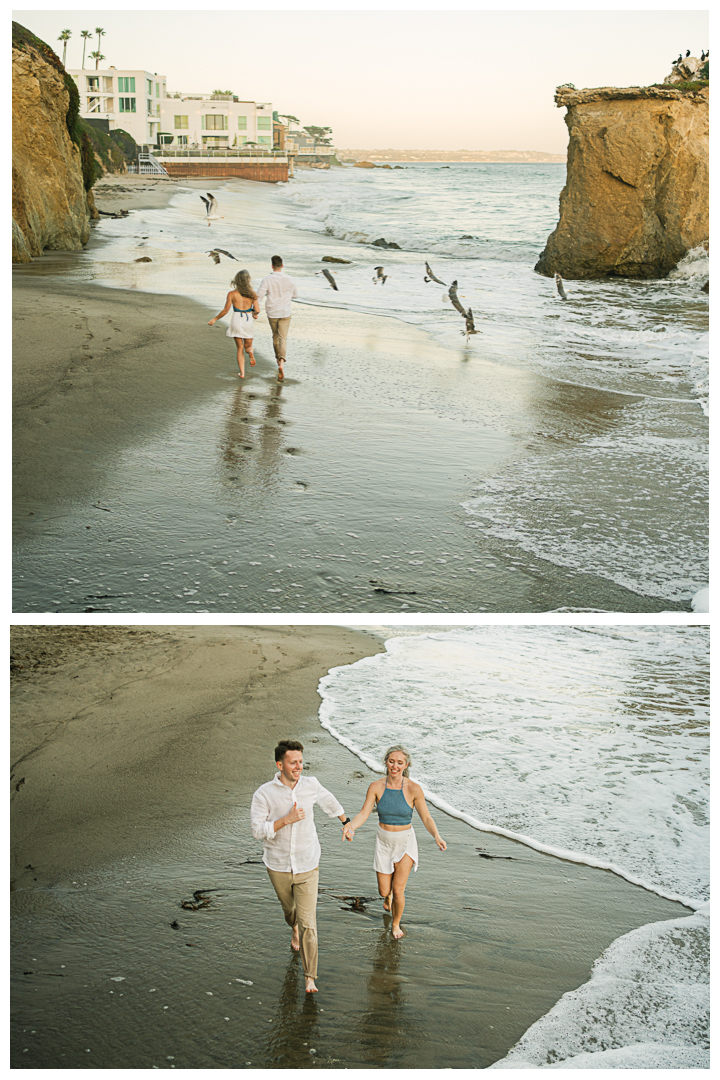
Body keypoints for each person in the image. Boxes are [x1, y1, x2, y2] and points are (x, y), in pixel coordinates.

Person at [250, 739, 352, 993]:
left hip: (308, 862)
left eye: (301, 762)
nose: (299, 767)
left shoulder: (311, 785)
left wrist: (346, 822)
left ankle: (310, 977)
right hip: (278, 864)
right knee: (291, 913)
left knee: (309, 922)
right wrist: (286, 820)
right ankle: (292, 928)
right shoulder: (264, 793)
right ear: (279, 764)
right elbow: (256, 830)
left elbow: (329, 801)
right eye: (293, 762)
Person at [342, 745, 446, 939]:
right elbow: (364, 813)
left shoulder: (414, 789)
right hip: (383, 842)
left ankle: (396, 923)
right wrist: (351, 827)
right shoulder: (376, 787)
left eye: (400, 762)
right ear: (385, 762)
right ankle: (387, 897)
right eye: (391, 761)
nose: (395, 766)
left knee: (398, 891)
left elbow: (426, 818)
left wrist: (436, 836)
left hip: (405, 842)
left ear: (406, 765)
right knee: (384, 891)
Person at [208, 270, 259, 378]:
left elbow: (226, 310)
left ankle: (242, 373)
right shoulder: (252, 294)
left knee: (240, 348)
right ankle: (250, 352)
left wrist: (215, 319)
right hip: (247, 320)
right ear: (248, 280)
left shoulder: (232, 294)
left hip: (236, 319)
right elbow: (257, 310)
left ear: (237, 280)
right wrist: (254, 313)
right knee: (247, 346)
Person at [255, 256, 298, 382]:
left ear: (272, 266)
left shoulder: (267, 279)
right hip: (285, 311)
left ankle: (277, 359)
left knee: (275, 336)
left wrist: (255, 311)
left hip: (272, 311)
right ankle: (282, 363)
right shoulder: (290, 279)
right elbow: (295, 295)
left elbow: (259, 295)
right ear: (282, 266)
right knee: (283, 337)